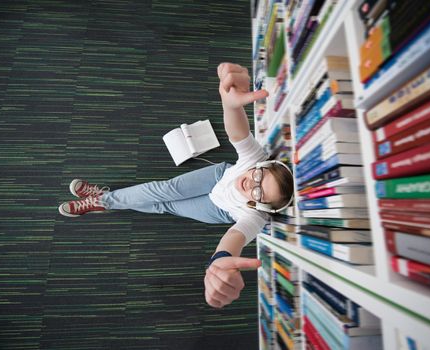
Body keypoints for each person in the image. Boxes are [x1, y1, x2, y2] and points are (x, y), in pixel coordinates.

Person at [58, 62, 294, 308]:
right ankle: (103, 201)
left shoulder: (256, 218)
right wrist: (230, 105)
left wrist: (219, 260)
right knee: (162, 189)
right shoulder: (257, 160)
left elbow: (233, 237)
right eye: (259, 177)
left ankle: (104, 200)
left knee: (165, 206)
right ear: (262, 166)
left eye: (259, 193)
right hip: (218, 175)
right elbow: (239, 134)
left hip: (217, 209)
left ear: (261, 206)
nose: (251, 184)